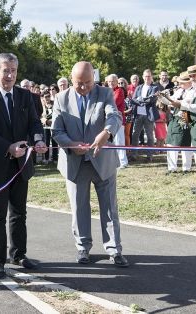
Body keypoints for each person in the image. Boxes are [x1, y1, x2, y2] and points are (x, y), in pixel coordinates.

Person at [51, 61, 128, 267]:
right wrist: (71, 144)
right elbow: (57, 131)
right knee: (79, 207)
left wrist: (107, 132)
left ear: (94, 78)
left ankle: (114, 249)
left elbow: (114, 115)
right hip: (75, 161)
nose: (84, 87)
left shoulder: (105, 93)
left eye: (88, 82)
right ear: (71, 79)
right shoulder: (60, 98)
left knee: (110, 208)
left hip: (102, 161)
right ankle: (83, 248)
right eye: (79, 83)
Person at [0, 52, 47, 279]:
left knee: (19, 212)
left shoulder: (26, 96)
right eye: (5, 70)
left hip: (21, 163)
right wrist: (8, 147)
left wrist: (37, 140)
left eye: (13, 71)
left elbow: (35, 122)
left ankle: (18, 254)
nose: (9, 75)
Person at [168, 64, 196, 194]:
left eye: (193, 76)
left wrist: (182, 104)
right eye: (190, 76)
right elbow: (190, 100)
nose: (191, 79)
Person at [164, 71, 193, 174]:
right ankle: (172, 168)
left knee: (186, 141)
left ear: (189, 82)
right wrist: (162, 97)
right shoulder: (179, 90)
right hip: (175, 116)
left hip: (187, 115)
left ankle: (186, 168)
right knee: (171, 141)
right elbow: (170, 101)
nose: (180, 84)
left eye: (182, 82)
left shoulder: (193, 91)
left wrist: (171, 101)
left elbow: (183, 103)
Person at [130, 69, 160, 162]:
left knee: (150, 136)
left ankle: (149, 155)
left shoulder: (155, 88)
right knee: (135, 135)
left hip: (148, 115)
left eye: (149, 76)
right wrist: (141, 100)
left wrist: (140, 100)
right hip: (139, 114)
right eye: (145, 76)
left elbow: (151, 100)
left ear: (151, 77)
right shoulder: (139, 87)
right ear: (143, 77)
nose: (147, 78)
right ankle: (134, 155)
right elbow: (133, 99)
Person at [106, 74, 128, 168]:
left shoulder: (120, 90)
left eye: (113, 81)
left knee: (119, 141)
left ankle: (123, 162)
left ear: (116, 82)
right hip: (108, 120)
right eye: (109, 81)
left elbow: (113, 103)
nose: (111, 83)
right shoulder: (106, 91)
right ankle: (115, 161)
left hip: (118, 120)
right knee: (111, 141)